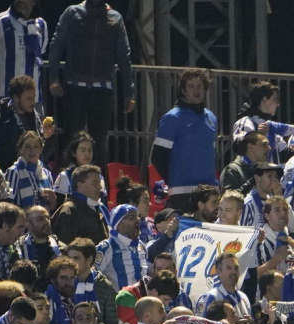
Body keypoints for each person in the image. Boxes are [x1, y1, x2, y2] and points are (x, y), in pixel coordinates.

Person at [47, 0, 135, 166]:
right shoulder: (73, 13)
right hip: (75, 86)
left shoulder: (115, 17)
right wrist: (53, 79)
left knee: (99, 143)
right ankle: (65, 185)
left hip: (102, 89)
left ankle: (100, 187)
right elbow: (57, 45)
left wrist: (129, 92)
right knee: (71, 139)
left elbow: (124, 56)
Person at [151, 68, 218, 208]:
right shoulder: (172, 118)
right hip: (182, 192)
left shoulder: (211, 118)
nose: (196, 90)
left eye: (200, 86)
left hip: (209, 191)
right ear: (183, 90)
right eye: (191, 86)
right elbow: (158, 156)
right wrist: (173, 182)